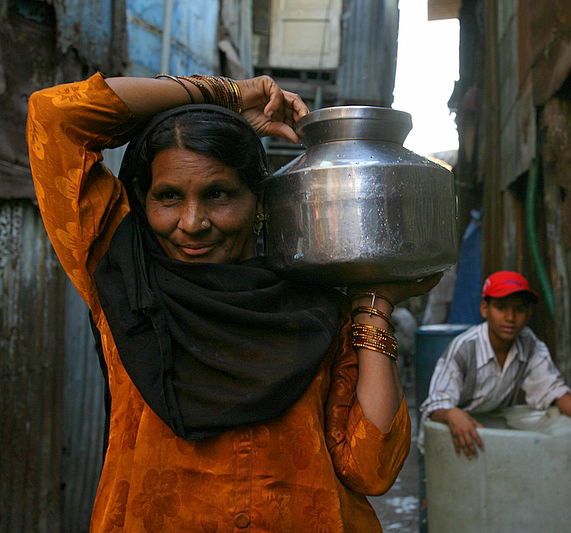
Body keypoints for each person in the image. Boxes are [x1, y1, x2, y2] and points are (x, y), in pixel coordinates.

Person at [27, 72, 439, 532]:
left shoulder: (313, 301)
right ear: (143, 201)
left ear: (259, 199)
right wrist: (228, 94)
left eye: (218, 194)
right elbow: (55, 115)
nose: (192, 222)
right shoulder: (122, 276)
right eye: (168, 197)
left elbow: (371, 468)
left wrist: (374, 304)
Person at [419, 270, 571, 459]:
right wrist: (452, 413)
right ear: (485, 309)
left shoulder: (529, 344)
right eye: (501, 307)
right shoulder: (465, 348)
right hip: (447, 436)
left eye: (519, 309)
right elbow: (435, 404)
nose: (510, 318)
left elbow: (553, 391)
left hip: (488, 435)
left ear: (529, 312)